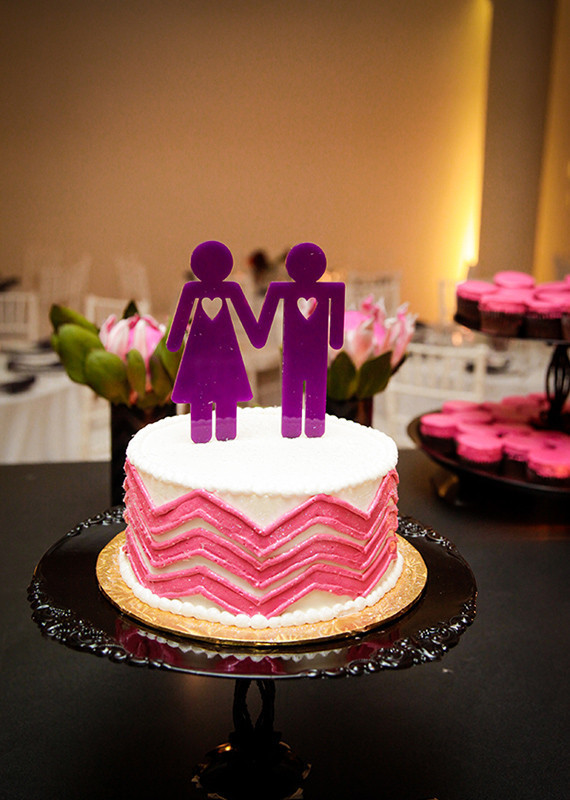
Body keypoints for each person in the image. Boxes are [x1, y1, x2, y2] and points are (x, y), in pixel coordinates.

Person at [167, 241, 259, 443]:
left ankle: (225, 430)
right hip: (201, 351)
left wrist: (256, 335)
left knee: (225, 390)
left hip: (223, 350)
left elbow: (246, 318)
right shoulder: (192, 290)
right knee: (200, 390)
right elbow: (180, 320)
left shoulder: (231, 289)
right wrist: (173, 342)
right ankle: (201, 431)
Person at [254, 242, 345, 437]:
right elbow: (265, 321)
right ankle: (294, 427)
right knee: (294, 387)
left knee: (312, 387)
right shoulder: (281, 289)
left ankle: (310, 427)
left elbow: (337, 328)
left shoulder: (332, 290)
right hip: (295, 351)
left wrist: (259, 336)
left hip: (314, 352)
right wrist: (336, 341)